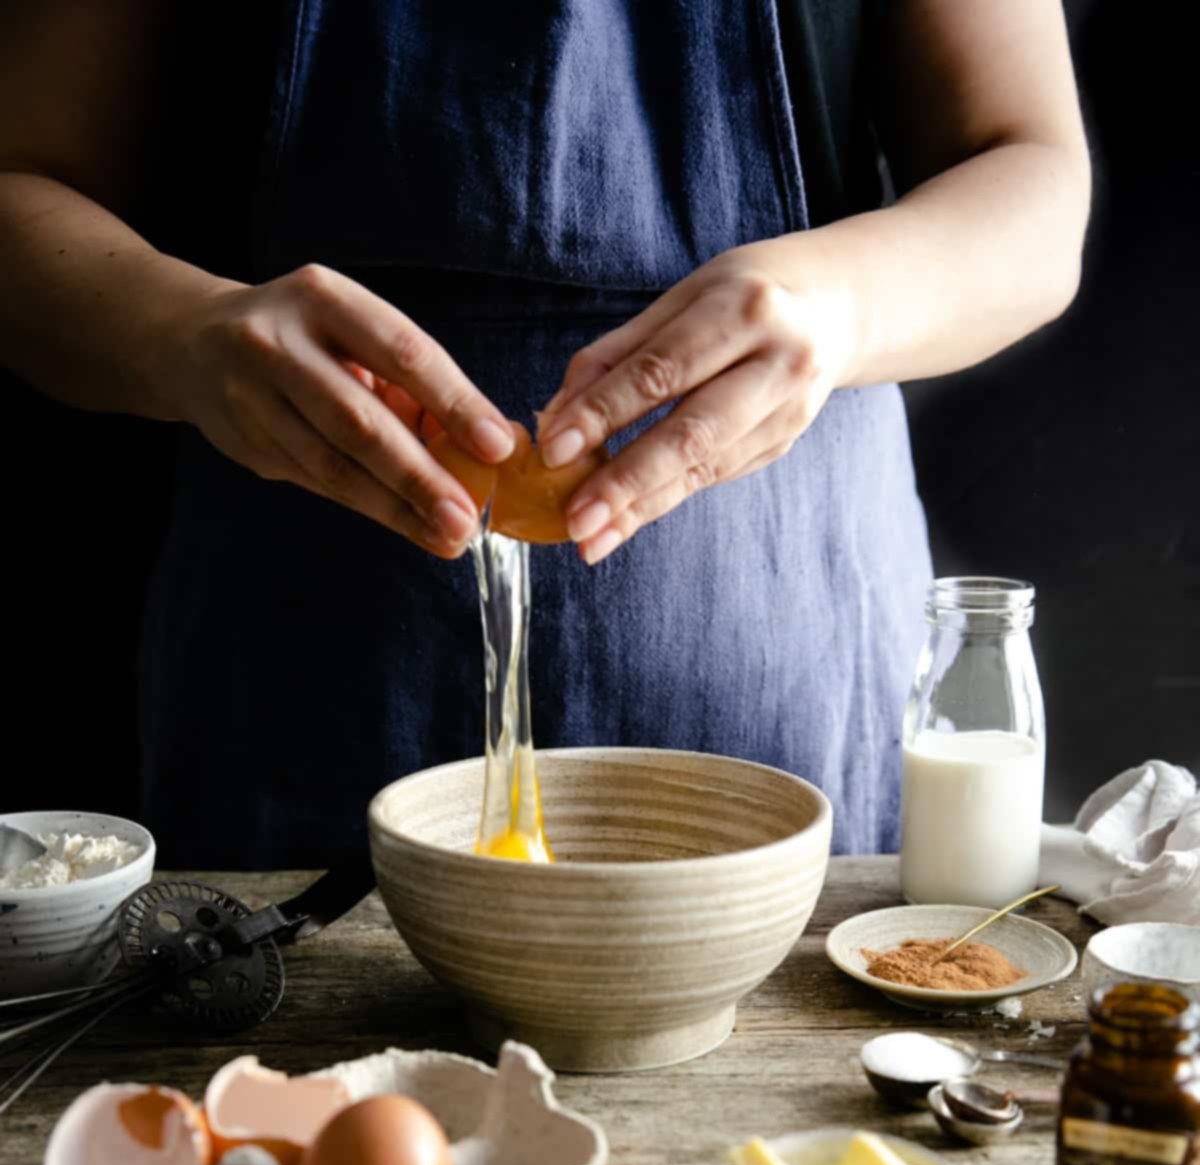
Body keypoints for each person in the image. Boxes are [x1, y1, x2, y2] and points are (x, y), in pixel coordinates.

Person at [0, 1, 1090, 868]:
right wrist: (181, 336)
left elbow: (1035, 184)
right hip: (305, 676)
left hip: (790, 653)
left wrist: (839, 304)